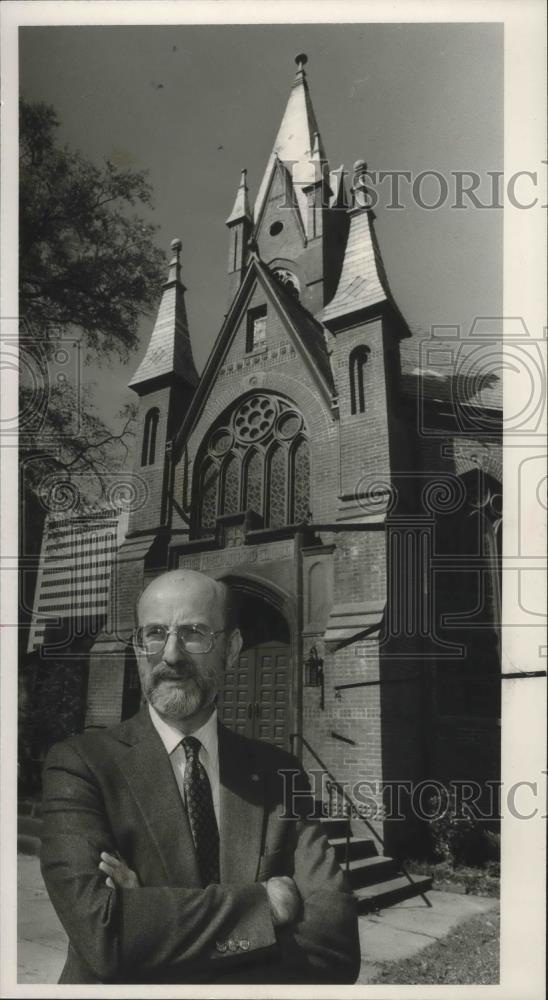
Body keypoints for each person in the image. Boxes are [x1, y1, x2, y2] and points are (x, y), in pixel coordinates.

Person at [40, 569, 361, 985]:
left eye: (194, 632)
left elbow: (334, 950)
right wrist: (266, 905)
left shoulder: (281, 777)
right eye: (154, 633)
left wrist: (151, 918)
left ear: (231, 650)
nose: (171, 655)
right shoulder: (81, 766)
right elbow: (106, 936)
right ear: (138, 647)